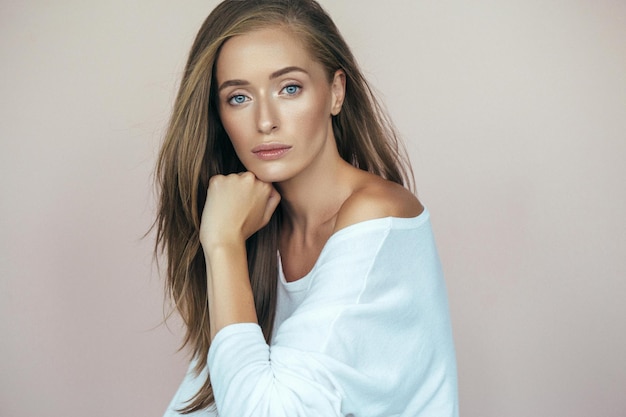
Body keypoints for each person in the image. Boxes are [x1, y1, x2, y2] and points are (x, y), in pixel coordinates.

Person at [155, 0, 458, 415]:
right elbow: (206, 402)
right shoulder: (261, 228)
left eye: (289, 88)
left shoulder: (379, 218)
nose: (265, 120)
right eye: (239, 97)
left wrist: (223, 243)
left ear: (336, 91)